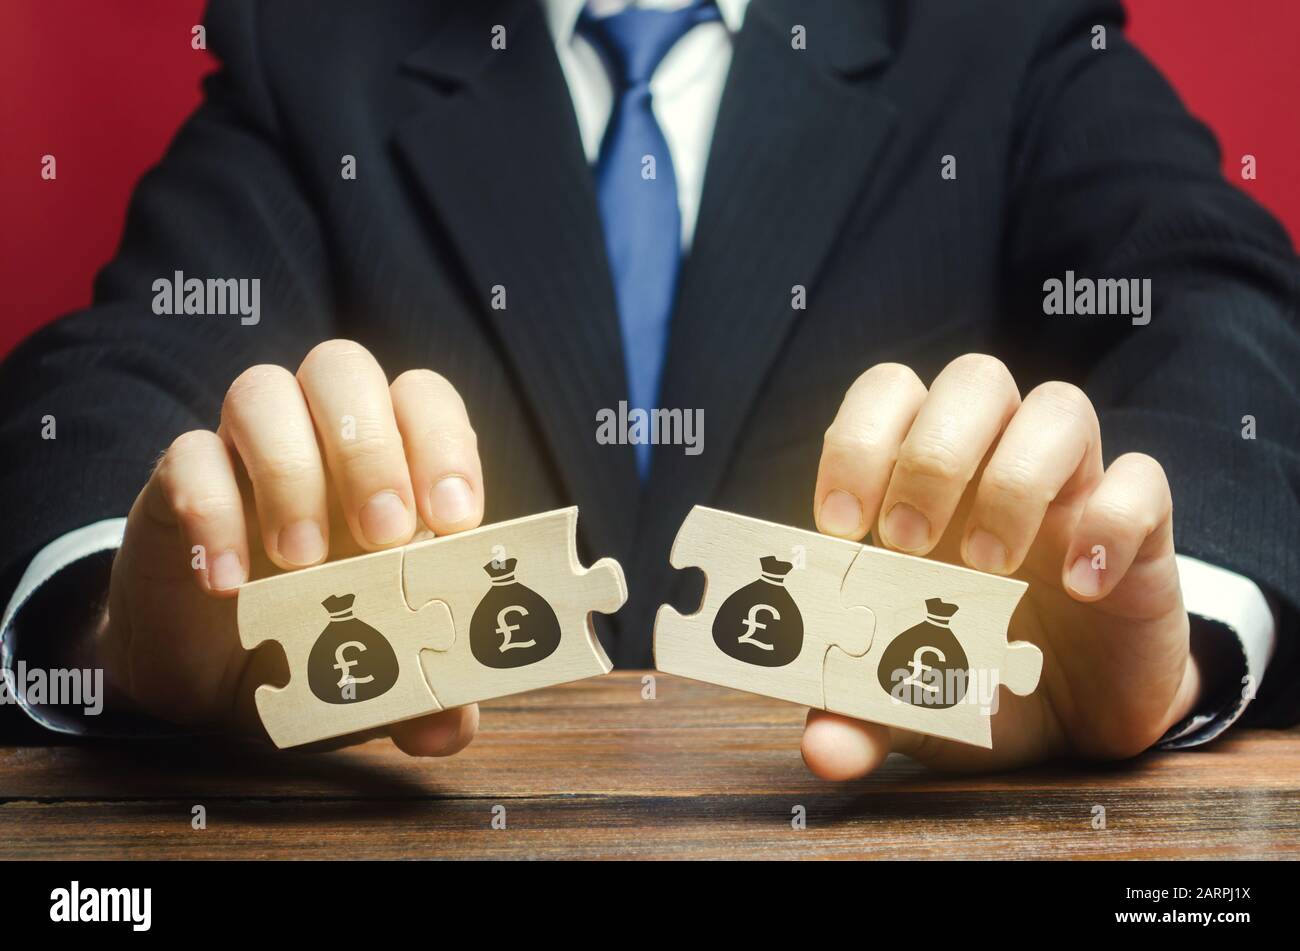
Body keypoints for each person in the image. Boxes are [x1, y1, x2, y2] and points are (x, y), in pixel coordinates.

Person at [2, 0, 1297, 780]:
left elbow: (1229, 309)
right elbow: (108, 373)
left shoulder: (995, 32)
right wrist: (121, 635)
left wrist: (1171, 639)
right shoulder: (318, 50)